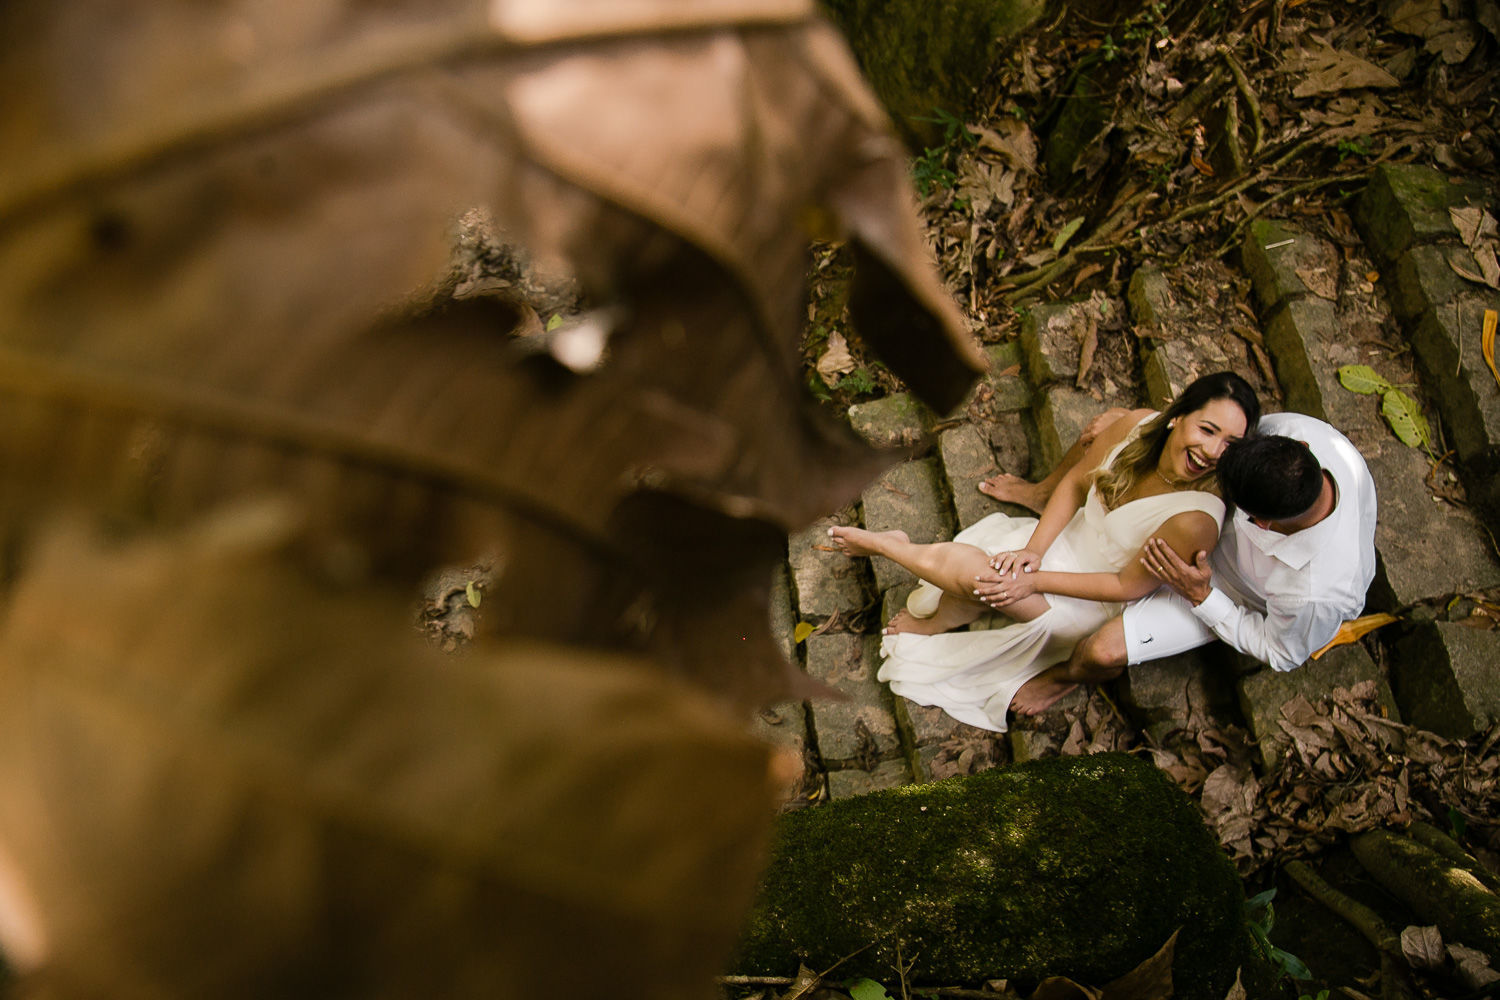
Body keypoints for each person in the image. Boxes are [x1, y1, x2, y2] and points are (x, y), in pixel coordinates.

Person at [826, 372, 1260, 732]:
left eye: (1230, 445)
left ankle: (891, 547)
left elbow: (1125, 586)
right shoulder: (1138, 425)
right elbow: (1074, 483)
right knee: (996, 571)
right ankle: (940, 609)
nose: (1211, 452)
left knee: (990, 578)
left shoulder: (1196, 519)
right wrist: (1033, 551)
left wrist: (1034, 580)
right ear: (1177, 417)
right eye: (1207, 430)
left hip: (1092, 597)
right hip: (1063, 541)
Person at [989, 411, 1378, 716]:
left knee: (1100, 651)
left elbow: (1279, 652)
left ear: (1259, 523)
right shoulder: (1293, 432)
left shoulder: (1316, 594)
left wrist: (1202, 595)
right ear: (1300, 446)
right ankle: (1044, 493)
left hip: (1229, 589)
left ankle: (1065, 678)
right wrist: (1146, 426)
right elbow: (1226, 429)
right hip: (1203, 519)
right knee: (1119, 432)